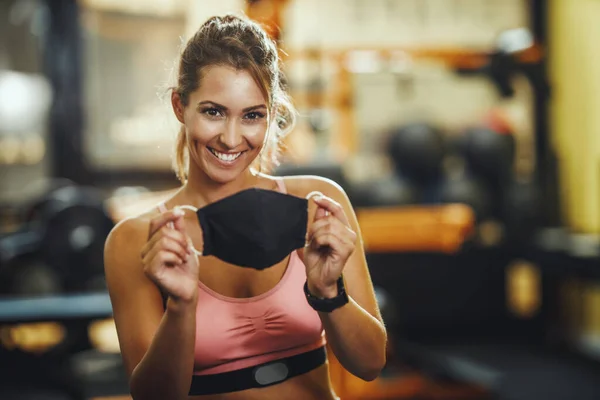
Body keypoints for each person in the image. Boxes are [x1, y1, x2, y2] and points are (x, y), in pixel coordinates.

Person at [104, 14, 387, 400]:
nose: (231, 138)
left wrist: (327, 293)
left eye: (252, 115)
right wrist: (182, 307)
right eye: (213, 112)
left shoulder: (316, 204)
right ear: (179, 106)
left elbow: (370, 364)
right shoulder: (136, 239)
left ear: (270, 115)